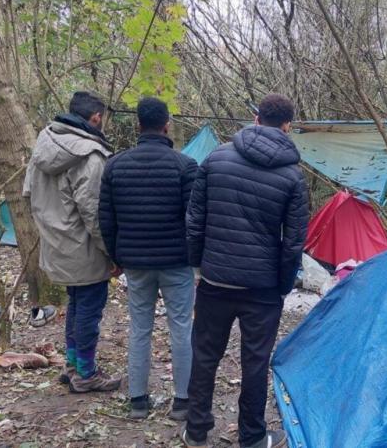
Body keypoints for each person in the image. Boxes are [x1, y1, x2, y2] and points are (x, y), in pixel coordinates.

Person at [182, 94, 309, 448]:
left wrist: (199, 266)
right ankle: (252, 437)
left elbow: (194, 220)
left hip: (215, 280)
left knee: (205, 355)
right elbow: (294, 242)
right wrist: (281, 285)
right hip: (263, 288)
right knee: (255, 362)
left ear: (255, 119)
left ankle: (196, 430)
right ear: (287, 126)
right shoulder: (293, 176)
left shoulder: (215, 158)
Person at [98, 97, 197, 420]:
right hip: (176, 262)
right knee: (181, 328)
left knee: (140, 329)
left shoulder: (115, 165)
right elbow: (193, 219)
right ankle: (182, 402)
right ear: (166, 124)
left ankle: (138, 401)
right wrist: (194, 257)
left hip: (135, 263)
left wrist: (116, 257)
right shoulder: (184, 166)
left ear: (138, 125)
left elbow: (107, 219)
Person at [22, 91, 121, 393]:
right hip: (85, 250)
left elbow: (28, 193)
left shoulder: (44, 143)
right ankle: (86, 373)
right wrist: (112, 252)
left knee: (77, 307)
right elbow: (94, 214)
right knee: (88, 311)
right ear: (95, 118)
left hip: (56, 245)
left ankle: (73, 365)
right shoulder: (89, 155)